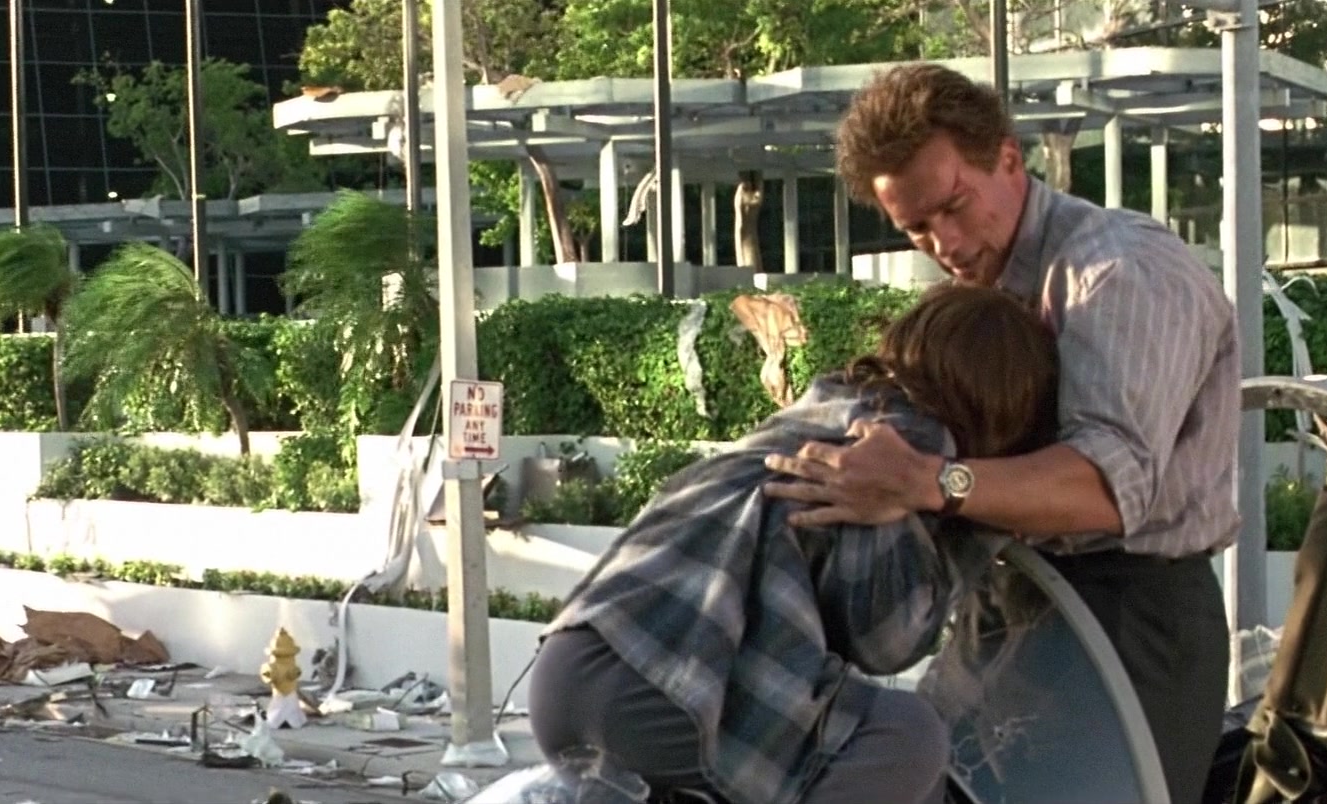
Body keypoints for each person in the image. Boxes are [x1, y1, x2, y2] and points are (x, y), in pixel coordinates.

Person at [761, 63, 1242, 804]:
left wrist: (930, 482)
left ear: (1010, 159)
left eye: (955, 206)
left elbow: (1107, 487)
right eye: (917, 228)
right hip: (1010, 594)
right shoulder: (986, 285)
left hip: (1130, 614)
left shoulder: (1121, 272)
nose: (946, 243)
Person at [528, 283, 1060, 804]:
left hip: (570, 669)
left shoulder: (820, 410)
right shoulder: (897, 446)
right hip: (668, 693)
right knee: (905, 737)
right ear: (1003, 410)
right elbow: (884, 638)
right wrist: (981, 518)